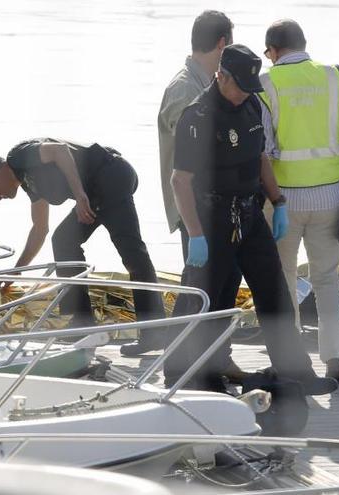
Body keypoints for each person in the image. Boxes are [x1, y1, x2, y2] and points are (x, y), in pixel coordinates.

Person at [163, 43, 338, 396]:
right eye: (240, 86)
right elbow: (180, 181)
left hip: (250, 212)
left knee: (274, 294)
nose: (245, 94)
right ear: (221, 76)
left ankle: (296, 373)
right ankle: (189, 374)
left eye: (250, 87)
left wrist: (279, 202)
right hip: (211, 219)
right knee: (209, 300)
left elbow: (261, 159)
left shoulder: (253, 105)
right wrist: (195, 234)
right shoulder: (197, 117)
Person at [120, 10, 239, 357]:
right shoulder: (184, 88)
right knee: (200, 280)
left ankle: (178, 345)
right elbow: (194, 149)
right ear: (222, 44)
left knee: (198, 281)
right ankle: (188, 355)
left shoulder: (207, 83)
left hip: (212, 202)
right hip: (195, 204)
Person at [259, 19, 339, 382]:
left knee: (284, 280)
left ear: (273, 51)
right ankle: (335, 361)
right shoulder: (337, 76)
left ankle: (290, 363)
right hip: (332, 197)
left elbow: (264, 149)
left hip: (282, 204)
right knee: (325, 279)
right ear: (303, 44)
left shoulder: (266, 84)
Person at [0, 138, 166, 332]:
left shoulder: (18, 156)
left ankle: (154, 330)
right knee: (63, 240)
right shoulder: (28, 183)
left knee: (131, 251)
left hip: (111, 176)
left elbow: (60, 151)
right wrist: (16, 272)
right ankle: (81, 323)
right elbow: (40, 229)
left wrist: (80, 195)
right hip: (95, 193)